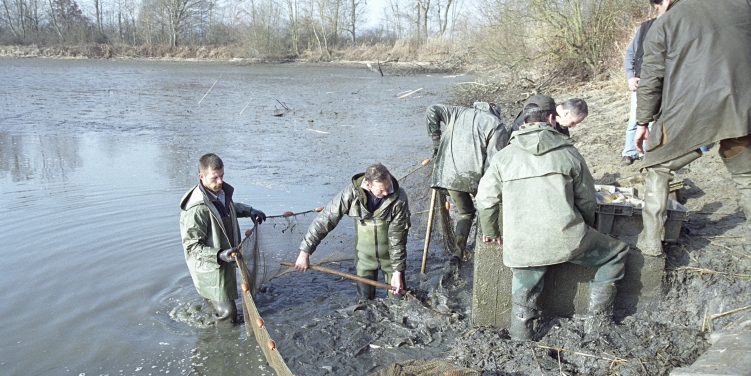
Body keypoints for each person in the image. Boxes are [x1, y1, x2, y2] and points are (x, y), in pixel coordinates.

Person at [477, 95, 629, 341]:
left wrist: (491, 231)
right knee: (617, 253)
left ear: (523, 120)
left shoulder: (503, 158)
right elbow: (588, 200)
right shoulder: (569, 152)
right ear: (551, 118)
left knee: (525, 292)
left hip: (522, 246)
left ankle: (521, 339)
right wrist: (584, 228)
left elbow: (485, 201)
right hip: (569, 239)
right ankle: (598, 323)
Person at [635, 0, 751, 256]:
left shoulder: (664, 25)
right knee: (747, 175)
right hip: (744, 107)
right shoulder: (743, 4)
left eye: (658, 7)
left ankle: (650, 243)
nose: (659, 13)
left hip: (695, 111)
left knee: (657, 166)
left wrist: (642, 122)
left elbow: (651, 80)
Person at [295, 163, 411, 301]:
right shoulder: (351, 193)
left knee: (398, 303)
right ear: (368, 185)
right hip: (364, 260)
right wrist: (305, 251)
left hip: (391, 261)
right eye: (381, 190)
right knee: (364, 304)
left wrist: (397, 272)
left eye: (388, 187)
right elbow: (325, 219)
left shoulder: (399, 197)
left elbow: (398, 238)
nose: (386, 193)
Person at [179, 153, 267, 324]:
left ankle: (209, 303)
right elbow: (191, 247)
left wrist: (248, 210)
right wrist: (219, 255)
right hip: (209, 267)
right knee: (229, 314)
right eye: (215, 178)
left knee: (225, 303)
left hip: (224, 258)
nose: (220, 181)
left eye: (222, 176)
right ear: (201, 177)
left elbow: (228, 207)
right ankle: (220, 343)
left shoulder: (218, 193)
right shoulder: (196, 209)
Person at [427, 101, 509, 267]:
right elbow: (494, 161)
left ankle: (458, 253)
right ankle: (482, 244)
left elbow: (432, 109)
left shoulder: (457, 111)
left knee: (465, 213)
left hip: (447, 176)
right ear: (495, 111)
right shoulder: (496, 124)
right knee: (484, 208)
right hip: (474, 176)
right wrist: (485, 187)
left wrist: (436, 142)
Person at [620, 18, 657, 166]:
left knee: (655, 122)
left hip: (664, 82)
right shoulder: (645, 27)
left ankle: (648, 154)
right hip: (642, 81)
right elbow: (630, 53)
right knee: (635, 119)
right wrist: (630, 76)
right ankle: (629, 153)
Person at [511, 98, 588, 136]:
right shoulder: (536, 116)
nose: (573, 126)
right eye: (573, 122)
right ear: (566, 113)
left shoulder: (562, 125)